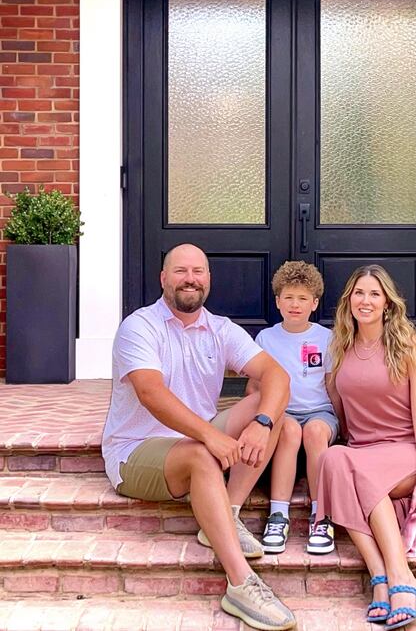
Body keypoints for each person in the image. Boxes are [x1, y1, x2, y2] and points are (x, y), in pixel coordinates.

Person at [101, 243, 296, 631]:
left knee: (274, 413)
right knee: (201, 455)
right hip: (136, 451)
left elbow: (278, 375)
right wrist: (211, 436)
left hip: (196, 440)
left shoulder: (220, 328)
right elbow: (151, 394)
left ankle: (227, 515)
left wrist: (262, 423)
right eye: (180, 271)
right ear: (163, 279)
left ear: (208, 279)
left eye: (198, 272)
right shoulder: (139, 326)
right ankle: (240, 584)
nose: (190, 279)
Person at [315, 265, 416, 629]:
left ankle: (398, 576)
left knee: (356, 473)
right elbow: (340, 406)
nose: (365, 300)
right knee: (334, 457)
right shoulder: (340, 345)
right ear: (348, 301)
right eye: (359, 293)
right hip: (363, 452)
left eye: (374, 294)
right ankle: (382, 578)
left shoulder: (408, 343)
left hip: (406, 449)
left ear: (387, 301)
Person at [246, 261, 338, 555]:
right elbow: (255, 386)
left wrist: (345, 422)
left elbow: (333, 385)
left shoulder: (327, 338)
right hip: (283, 412)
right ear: (277, 301)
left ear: (314, 303)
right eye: (288, 297)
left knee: (312, 432)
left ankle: (321, 515)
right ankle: (278, 515)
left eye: (302, 298)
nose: (295, 304)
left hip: (320, 412)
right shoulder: (267, 339)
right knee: (287, 430)